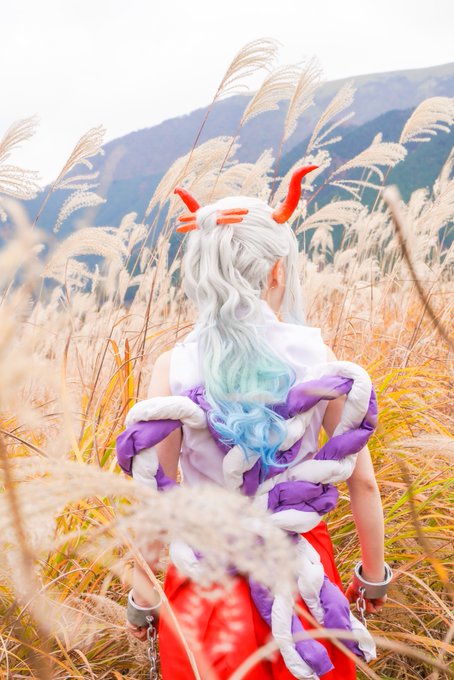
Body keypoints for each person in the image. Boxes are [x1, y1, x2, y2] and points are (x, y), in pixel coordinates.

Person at [117, 167, 392, 679]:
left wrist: (143, 598)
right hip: (300, 569)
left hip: (205, 575)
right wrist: (373, 577)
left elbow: (155, 499)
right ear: (276, 271)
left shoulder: (173, 367)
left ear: (201, 271)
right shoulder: (317, 358)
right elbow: (363, 482)